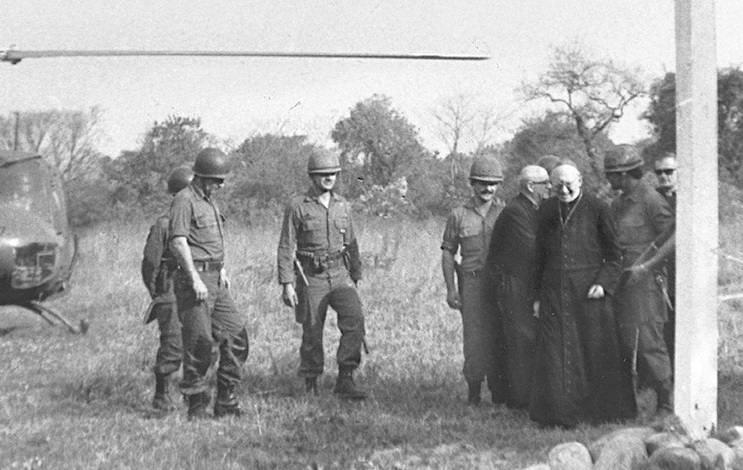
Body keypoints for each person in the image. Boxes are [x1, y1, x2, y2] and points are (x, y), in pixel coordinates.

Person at [530, 164, 636, 427]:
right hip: (554, 291)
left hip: (589, 293)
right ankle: (558, 414)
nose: (564, 190)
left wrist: (603, 284)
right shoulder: (545, 210)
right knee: (556, 352)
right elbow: (538, 257)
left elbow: (615, 256)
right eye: (557, 186)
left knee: (594, 351)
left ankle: (600, 413)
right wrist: (536, 296)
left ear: (580, 181)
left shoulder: (598, 208)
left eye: (569, 185)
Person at [277, 149, 367, 400]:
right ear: (312, 176)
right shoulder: (297, 206)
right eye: (323, 174)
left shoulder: (343, 207)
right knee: (312, 330)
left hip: (339, 275)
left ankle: (346, 378)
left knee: (355, 320)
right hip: (311, 276)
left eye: (333, 174)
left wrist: (355, 275)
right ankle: (311, 381)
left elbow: (352, 244)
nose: (329, 178)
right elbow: (286, 246)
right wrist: (287, 283)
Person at [169, 148, 249, 420]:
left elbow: (208, 241)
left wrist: (221, 269)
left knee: (237, 337)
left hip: (216, 279)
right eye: (217, 180)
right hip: (196, 282)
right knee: (199, 344)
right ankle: (197, 405)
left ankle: (226, 400)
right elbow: (179, 241)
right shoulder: (184, 200)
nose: (221, 184)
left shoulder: (210, 203)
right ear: (202, 177)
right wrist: (194, 278)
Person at [605, 146, 675, 415]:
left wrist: (647, 267)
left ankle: (666, 405)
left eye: (612, 175)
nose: (609, 181)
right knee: (624, 343)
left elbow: (672, 238)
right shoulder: (617, 204)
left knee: (650, 344)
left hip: (647, 285)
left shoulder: (652, 200)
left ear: (625, 174)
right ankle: (627, 404)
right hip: (623, 283)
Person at [441, 154, 508, 406]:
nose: (487, 188)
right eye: (481, 183)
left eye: (492, 183)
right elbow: (448, 253)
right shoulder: (458, 215)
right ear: (472, 184)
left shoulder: (505, 213)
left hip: (499, 285)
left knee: (500, 334)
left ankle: (501, 390)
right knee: (474, 338)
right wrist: (451, 289)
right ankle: (474, 391)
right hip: (471, 283)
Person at [486, 165, 550, 409]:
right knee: (520, 338)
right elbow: (532, 249)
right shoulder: (516, 212)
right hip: (513, 283)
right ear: (531, 187)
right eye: (545, 183)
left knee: (523, 337)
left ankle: (521, 396)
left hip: (522, 282)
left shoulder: (529, 208)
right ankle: (519, 400)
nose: (550, 188)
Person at [141, 166, 192, 411]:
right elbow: (150, 263)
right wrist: (159, 293)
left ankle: (194, 391)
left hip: (195, 287)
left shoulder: (198, 221)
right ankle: (161, 395)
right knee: (173, 343)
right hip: (170, 288)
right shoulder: (164, 225)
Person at [654, 153, 677, 366]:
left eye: (669, 171)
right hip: (659, 268)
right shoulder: (653, 199)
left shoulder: (689, 199)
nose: (664, 176)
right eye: (659, 172)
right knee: (662, 321)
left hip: (683, 267)